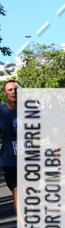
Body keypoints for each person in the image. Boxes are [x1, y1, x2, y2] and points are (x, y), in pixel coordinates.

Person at [0, 79, 19, 213]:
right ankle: (25, 225)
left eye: (16, 89)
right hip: (10, 159)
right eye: (10, 90)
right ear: (5, 93)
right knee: (17, 189)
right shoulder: (1, 111)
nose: (14, 92)